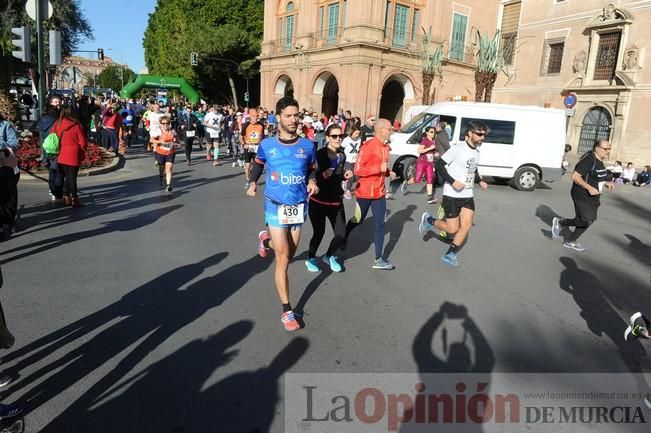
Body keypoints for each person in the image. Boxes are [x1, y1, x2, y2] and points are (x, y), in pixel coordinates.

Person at [246, 96, 318, 332]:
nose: (294, 120)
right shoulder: (267, 144)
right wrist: (253, 182)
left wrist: (312, 181)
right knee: (283, 259)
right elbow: (257, 163)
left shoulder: (308, 145)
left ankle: (265, 238)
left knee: (291, 251)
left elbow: (311, 169)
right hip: (275, 205)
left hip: (298, 206)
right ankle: (287, 311)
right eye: (288, 115)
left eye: (296, 115)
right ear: (278, 117)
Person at [418, 120, 489, 267]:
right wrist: (452, 181)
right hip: (452, 194)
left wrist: (480, 180)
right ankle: (429, 220)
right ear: (470, 133)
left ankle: (450, 253)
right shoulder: (458, 149)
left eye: (484, 134)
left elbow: (473, 168)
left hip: (468, 194)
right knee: (452, 229)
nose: (483, 137)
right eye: (480, 134)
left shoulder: (476, 152)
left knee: (467, 225)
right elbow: (439, 164)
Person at [344, 118, 397, 270]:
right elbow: (358, 170)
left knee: (380, 224)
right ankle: (343, 237)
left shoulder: (386, 147)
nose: (392, 131)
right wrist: (378, 168)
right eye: (390, 128)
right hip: (365, 192)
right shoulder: (368, 146)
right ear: (381, 130)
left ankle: (378, 259)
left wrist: (388, 172)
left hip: (379, 193)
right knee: (358, 220)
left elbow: (382, 168)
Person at [551, 139, 614, 252]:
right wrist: (589, 188)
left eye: (609, 149)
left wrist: (606, 183)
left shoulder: (599, 161)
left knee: (588, 219)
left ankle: (570, 241)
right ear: (597, 148)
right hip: (582, 194)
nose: (608, 151)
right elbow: (575, 177)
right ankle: (561, 223)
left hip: (594, 195)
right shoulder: (589, 160)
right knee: (587, 220)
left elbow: (595, 177)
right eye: (605, 149)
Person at [305, 124, 351, 273]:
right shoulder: (320, 154)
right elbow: (313, 173)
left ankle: (329, 255)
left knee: (341, 234)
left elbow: (340, 172)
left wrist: (346, 173)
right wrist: (322, 175)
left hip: (336, 201)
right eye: (334, 136)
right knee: (319, 233)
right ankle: (310, 258)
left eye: (340, 136)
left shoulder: (342, 154)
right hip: (318, 201)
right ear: (327, 138)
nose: (338, 139)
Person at [50, 105, 88, 207]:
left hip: (61, 154)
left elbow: (52, 137)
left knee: (66, 177)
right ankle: (74, 199)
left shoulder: (57, 124)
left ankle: (66, 197)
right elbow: (83, 142)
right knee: (72, 178)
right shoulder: (76, 126)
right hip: (73, 155)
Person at [400, 126, 438, 204]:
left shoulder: (434, 141)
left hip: (430, 163)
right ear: (427, 133)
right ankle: (407, 183)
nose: (433, 133)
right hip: (422, 162)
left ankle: (430, 197)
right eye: (431, 132)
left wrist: (435, 153)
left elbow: (432, 152)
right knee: (417, 179)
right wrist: (430, 148)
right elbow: (419, 150)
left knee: (430, 180)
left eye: (434, 132)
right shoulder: (425, 140)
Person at [151, 116, 179, 192]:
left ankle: (168, 185)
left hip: (170, 152)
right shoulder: (158, 131)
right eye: (163, 123)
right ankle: (161, 179)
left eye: (167, 123)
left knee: (169, 168)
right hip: (160, 152)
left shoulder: (172, 131)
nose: (165, 125)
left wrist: (177, 143)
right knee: (161, 168)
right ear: (160, 124)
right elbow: (151, 140)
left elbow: (177, 137)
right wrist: (160, 142)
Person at [241, 108, 266, 189]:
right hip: (248, 147)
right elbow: (240, 137)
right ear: (250, 116)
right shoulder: (246, 125)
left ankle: (253, 181)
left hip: (257, 147)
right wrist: (244, 144)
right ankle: (248, 180)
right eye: (253, 116)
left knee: (256, 165)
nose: (255, 118)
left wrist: (262, 143)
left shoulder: (261, 125)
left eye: (256, 116)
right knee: (248, 166)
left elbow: (263, 136)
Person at [341, 125, 361, 199]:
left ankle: (345, 182)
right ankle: (347, 191)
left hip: (355, 161)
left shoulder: (359, 139)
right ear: (352, 132)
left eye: (358, 133)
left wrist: (358, 154)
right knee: (351, 176)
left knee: (357, 177)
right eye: (356, 133)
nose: (357, 135)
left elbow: (359, 149)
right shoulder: (347, 139)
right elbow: (341, 148)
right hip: (347, 160)